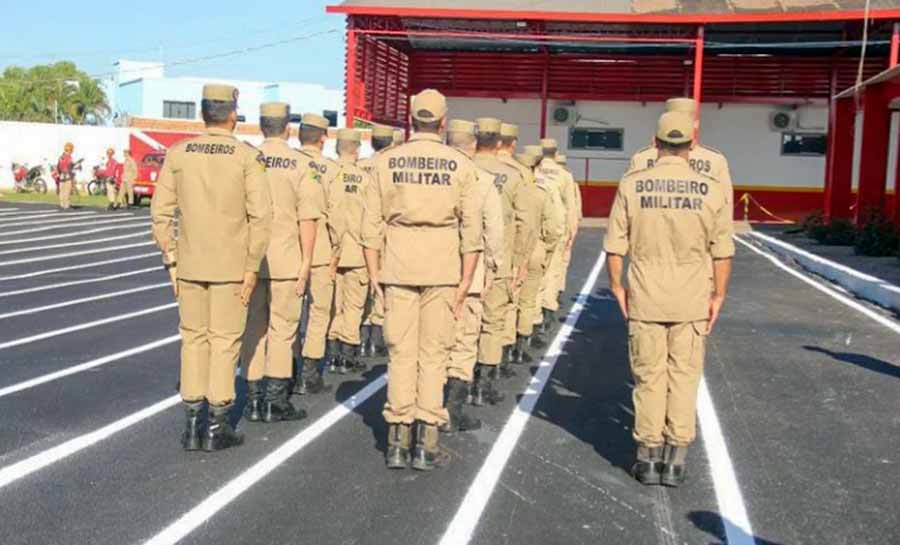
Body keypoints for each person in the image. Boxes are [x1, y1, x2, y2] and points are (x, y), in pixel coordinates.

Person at [604, 111, 734, 487]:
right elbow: (722, 251)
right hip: (692, 296)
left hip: (645, 293)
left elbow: (615, 246)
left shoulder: (632, 184)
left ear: (656, 143)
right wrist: (719, 294)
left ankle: (647, 458)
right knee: (684, 377)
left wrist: (617, 287)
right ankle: (675, 460)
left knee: (648, 377)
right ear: (692, 145)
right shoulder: (710, 188)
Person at [361, 89, 483, 471]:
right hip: (443, 269)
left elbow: (370, 226)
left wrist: (373, 276)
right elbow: (472, 230)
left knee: (400, 354)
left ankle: (397, 438)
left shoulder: (386, 161)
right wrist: (465, 283)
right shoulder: (460, 164)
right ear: (443, 123)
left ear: (411, 120)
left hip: (397, 266)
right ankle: (426, 441)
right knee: (434, 355)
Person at [151, 84, 272, 452]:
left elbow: (159, 214)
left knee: (192, 339)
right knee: (223, 342)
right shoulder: (245, 156)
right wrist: (253, 267)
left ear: (203, 113)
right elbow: (262, 217)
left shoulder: (179, 153)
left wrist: (171, 259)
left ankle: (191, 424)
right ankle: (218, 425)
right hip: (232, 267)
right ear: (233, 114)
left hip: (189, 264)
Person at [241, 102, 320, 424]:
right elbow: (308, 219)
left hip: (249, 259)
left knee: (253, 330)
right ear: (288, 128)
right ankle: (275, 401)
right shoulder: (300, 165)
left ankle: (254, 399)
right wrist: (306, 264)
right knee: (282, 330)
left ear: (261, 126)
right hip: (286, 260)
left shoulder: (246, 158)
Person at [444, 119, 504, 432]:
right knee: (465, 342)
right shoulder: (482, 180)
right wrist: (492, 269)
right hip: (469, 273)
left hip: (428, 272)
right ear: (472, 145)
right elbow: (493, 234)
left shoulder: (436, 178)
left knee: (430, 343)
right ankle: (452, 411)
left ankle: (425, 409)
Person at [471, 117, 533, 399]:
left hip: (463, 260)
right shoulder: (516, 175)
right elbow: (526, 224)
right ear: (500, 143)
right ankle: (483, 384)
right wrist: (520, 262)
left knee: (460, 325)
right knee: (493, 321)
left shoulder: (463, 168)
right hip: (500, 258)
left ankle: (460, 379)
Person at [296, 113, 342, 393]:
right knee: (319, 311)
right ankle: (310, 374)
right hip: (322, 249)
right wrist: (337, 249)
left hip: (291, 248)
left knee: (287, 315)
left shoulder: (290, 163)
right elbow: (338, 216)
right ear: (323, 138)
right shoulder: (331, 170)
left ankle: (286, 368)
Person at [628, 97, 733, 218]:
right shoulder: (715, 160)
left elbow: (628, 206)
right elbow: (725, 208)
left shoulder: (641, 157)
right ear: (696, 124)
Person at [326, 128, 371, 374]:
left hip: (331, 252)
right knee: (354, 306)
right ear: (356, 149)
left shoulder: (329, 175)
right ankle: (347, 353)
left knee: (334, 305)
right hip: (357, 251)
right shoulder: (365, 179)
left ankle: (331, 353)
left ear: (336, 148)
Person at [496, 124, 542, 366]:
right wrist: (521, 259)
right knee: (507, 307)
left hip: (468, 256)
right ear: (512, 143)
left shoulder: (470, 167)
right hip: (506, 253)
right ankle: (498, 366)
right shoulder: (521, 174)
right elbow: (529, 221)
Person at [511, 147, 563, 362]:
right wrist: (547, 250)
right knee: (527, 301)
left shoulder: (509, 186)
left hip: (509, 251)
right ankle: (520, 350)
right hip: (535, 248)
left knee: (506, 303)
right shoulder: (543, 190)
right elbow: (554, 227)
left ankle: (501, 353)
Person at [357, 125, 395, 358]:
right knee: (382, 284)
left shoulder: (360, 166)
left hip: (361, 233)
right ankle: (376, 340)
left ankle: (361, 339)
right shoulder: (390, 167)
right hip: (385, 233)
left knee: (362, 288)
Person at [533, 139, 572, 337]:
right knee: (552, 272)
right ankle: (546, 315)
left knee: (532, 274)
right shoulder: (564, 176)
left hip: (534, 229)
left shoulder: (533, 172)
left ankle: (532, 316)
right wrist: (571, 233)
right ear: (555, 153)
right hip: (556, 228)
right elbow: (571, 207)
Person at [554, 153, 582, 294]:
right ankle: (557, 289)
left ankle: (550, 292)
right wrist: (573, 229)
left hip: (551, 225)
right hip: (564, 225)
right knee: (562, 259)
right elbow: (575, 207)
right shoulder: (569, 180)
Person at [57, 142, 76, 210]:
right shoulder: (69, 157)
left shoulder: (61, 157)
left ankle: (62, 204)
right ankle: (67, 205)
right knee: (67, 190)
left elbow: (58, 166)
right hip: (67, 175)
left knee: (62, 190)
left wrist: (59, 173)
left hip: (62, 175)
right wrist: (74, 166)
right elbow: (70, 165)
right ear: (70, 150)